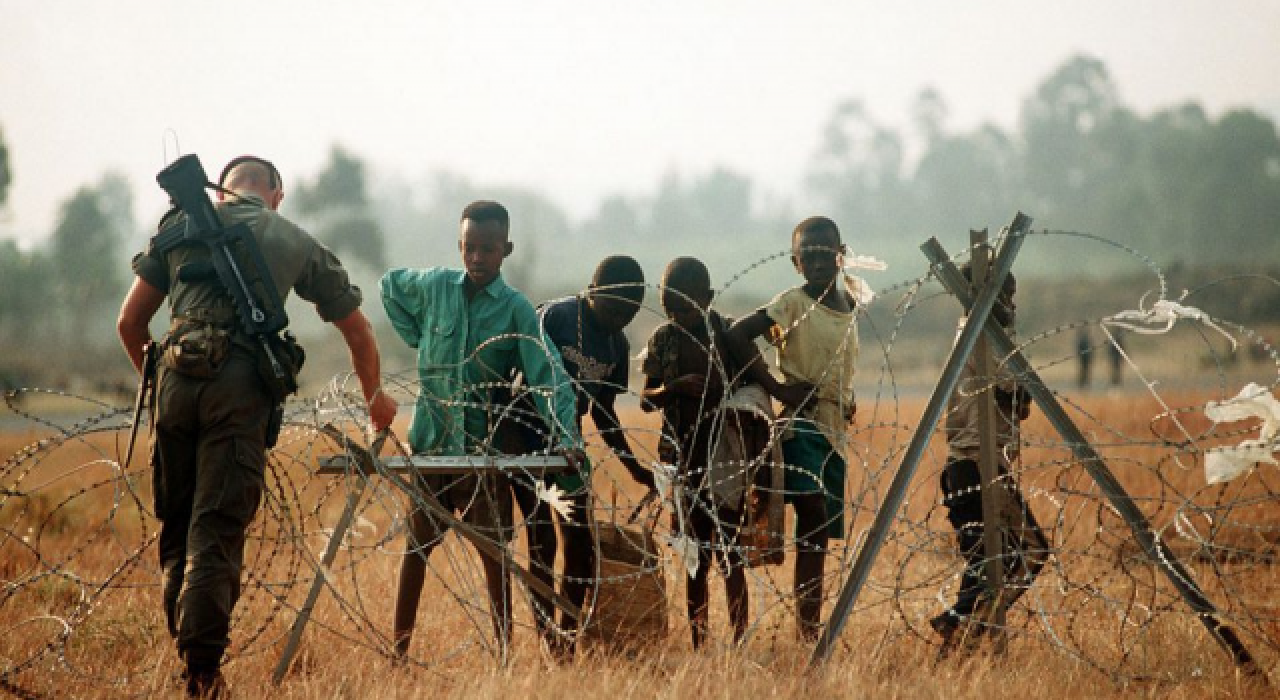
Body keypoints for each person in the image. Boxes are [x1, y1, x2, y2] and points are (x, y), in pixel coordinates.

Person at [117, 155, 396, 697]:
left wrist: (158, 382)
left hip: (173, 383)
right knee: (215, 530)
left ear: (220, 192)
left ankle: (188, 645)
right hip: (238, 389)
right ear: (277, 195)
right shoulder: (291, 237)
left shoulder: (177, 226)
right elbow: (357, 330)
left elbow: (130, 323)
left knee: (178, 531)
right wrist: (375, 397)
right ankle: (201, 672)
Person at [379, 200, 585, 659]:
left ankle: (503, 656)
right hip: (432, 443)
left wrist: (566, 437)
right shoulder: (434, 287)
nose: (477, 258)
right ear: (459, 245)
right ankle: (399, 653)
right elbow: (388, 286)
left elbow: (546, 373)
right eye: (470, 247)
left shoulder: (514, 311)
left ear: (505, 249)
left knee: (495, 555)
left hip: (481, 448)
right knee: (416, 551)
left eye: (488, 249)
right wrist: (415, 335)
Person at [641, 256, 805, 649]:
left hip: (725, 458)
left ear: (708, 298)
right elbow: (647, 399)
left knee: (731, 554)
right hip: (684, 455)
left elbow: (755, 387)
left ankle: (739, 640)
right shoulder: (664, 339)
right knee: (697, 556)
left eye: (685, 307)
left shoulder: (727, 335)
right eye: (669, 308)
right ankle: (700, 643)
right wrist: (674, 388)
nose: (678, 315)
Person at [494, 254, 653, 658]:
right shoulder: (558, 317)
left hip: (568, 449)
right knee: (542, 540)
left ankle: (568, 636)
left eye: (631, 310)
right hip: (525, 436)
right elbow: (512, 368)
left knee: (580, 544)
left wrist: (634, 468)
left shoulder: (617, 344)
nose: (623, 317)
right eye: (617, 306)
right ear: (594, 291)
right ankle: (550, 641)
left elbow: (603, 411)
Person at [727, 216, 858, 643]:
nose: (820, 261)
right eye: (810, 254)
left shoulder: (851, 306)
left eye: (827, 252)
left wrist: (847, 400)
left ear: (842, 254)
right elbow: (738, 334)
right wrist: (778, 388)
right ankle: (807, 629)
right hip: (799, 425)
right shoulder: (792, 304)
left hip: (833, 431)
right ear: (796, 263)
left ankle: (808, 628)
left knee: (818, 535)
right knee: (814, 514)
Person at [929, 262, 1048, 656]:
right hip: (979, 463)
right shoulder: (987, 335)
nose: (1010, 304)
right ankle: (964, 623)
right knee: (1029, 552)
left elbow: (1017, 400)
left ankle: (960, 630)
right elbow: (1016, 393)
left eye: (1011, 295)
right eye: (1001, 296)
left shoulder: (970, 333)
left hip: (966, 465)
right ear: (978, 297)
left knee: (986, 558)